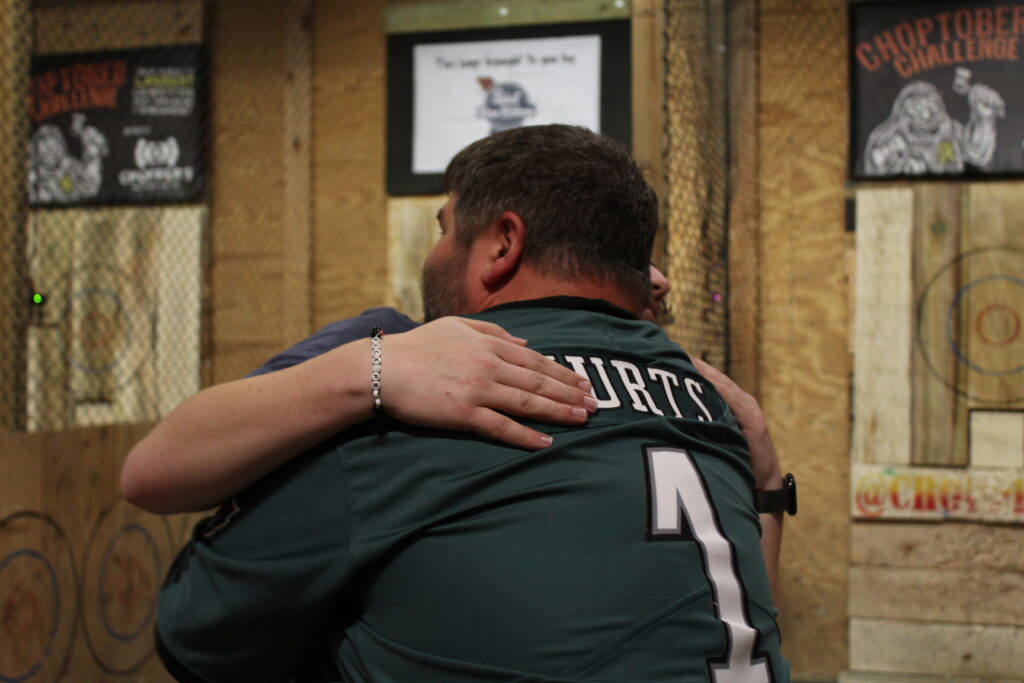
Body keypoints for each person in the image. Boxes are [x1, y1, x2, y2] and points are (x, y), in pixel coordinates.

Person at [156, 124, 790, 682]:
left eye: (444, 230)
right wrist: (767, 489)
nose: (434, 253)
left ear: (502, 244)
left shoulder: (418, 407)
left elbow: (196, 638)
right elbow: (744, 630)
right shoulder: (714, 402)